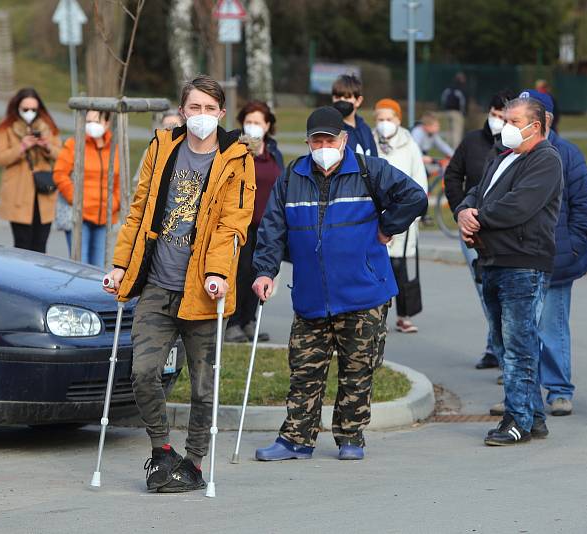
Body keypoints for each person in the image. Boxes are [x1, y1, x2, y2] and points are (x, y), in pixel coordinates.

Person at [103, 75, 255, 493]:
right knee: (143, 372)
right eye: (194, 108)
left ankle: (195, 462)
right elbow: (139, 210)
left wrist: (218, 274)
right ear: (183, 110)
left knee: (204, 385)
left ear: (221, 113)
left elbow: (232, 224)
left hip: (203, 291)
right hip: (156, 284)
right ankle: (161, 449)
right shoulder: (163, 146)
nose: (202, 116)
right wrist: (120, 265)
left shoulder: (237, 159)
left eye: (210, 109)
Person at [252, 106, 427, 461]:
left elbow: (415, 197)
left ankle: (351, 436)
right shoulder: (292, 176)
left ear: (343, 140)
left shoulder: (368, 170)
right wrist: (265, 271)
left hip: (364, 292)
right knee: (303, 371)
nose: (322, 145)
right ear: (307, 142)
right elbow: (272, 228)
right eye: (316, 140)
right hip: (312, 295)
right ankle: (296, 440)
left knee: (357, 370)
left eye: (329, 139)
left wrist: (387, 226)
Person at [455, 96, 563, 445]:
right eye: (505, 118)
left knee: (519, 345)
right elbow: (476, 192)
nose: (506, 125)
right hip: (494, 260)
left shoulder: (546, 159)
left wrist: (479, 219)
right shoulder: (501, 157)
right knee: (504, 344)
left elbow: (519, 205)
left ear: (536, 125)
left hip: (523, 262)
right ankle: (534, 417)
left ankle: (516, 419)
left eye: (515, 121)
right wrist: (464, 211)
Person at [518, 89, 587, 417]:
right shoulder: (512, 152)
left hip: (556, 259)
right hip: (519, 258)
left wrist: (571, 246)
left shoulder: (567, 154)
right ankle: (521, 393)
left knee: (552, 327)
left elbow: (586, 209)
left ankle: (559, 390)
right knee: (519, 329)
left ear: (545, 119)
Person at [445, 89, 516, 370]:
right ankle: (494, 346)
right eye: (494, 114)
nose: (497, 120)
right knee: (484, 289)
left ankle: (503, 349)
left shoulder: (516, 145)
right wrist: (460, 210)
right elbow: (453, 176)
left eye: (503, 116)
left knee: (503, 293)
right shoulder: (473, 142)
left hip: (502, 231)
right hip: (472, 230)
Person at [225, 100, 283, 343]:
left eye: (257, 122)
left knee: (259, 274)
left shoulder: (274, 153)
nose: (253, 126)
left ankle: (250, 320)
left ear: (267, 125)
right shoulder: (236, 149)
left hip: (266, 225)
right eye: (249, 122)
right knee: (240, 273)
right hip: (241, 223)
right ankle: (234, 322)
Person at [372, 98, 428, 333]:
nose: (385, 123)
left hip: (403, 217)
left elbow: (419, 178)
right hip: (377, 219)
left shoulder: (409, 143)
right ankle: (376, 316)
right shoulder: (370, 141)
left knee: (401, 269)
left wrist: (412, 214)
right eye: (380, 119)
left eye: (389, 118)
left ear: (398, 119)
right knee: (376, 269)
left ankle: (404, 315)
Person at [0, 87, 62, 253]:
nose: (30, 112)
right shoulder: (6, 127)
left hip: (43, 192)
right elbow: (0, 158)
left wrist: (46, 146)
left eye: (34, 109)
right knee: (22, 245)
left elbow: (61, 155)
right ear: (17, 107)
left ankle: (39, 278)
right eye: (26, 109)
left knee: (41, 245)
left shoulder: (48, 126)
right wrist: (22, 146)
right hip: (18, 192)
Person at [52, 110, 120, 267]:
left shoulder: (114, 148)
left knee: (98, 269)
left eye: (96, 121)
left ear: (107, 123)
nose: (92, 125)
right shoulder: (74, 144)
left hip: (104, 217)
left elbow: (119, 181)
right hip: (79, 216)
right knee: (80, 267)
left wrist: (115, 203)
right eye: (88, 121)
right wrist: (76, 199)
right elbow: (59, 174)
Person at [331, 74, 377, 157]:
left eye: (347, 97)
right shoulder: (329, 129)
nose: (341, 100)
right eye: (337, 97)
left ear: (358, 101)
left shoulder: (365, 129)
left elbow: (375, 161)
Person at [440, 72, 468, 147]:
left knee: (449, 132)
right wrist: (464, 112)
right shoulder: (461, 89)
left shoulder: (449, 88)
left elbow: (443, 99)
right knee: (456, 133)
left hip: (447, 112)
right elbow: (463, 102)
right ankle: (455, 150)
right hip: (457, 113)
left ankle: (448, 149)